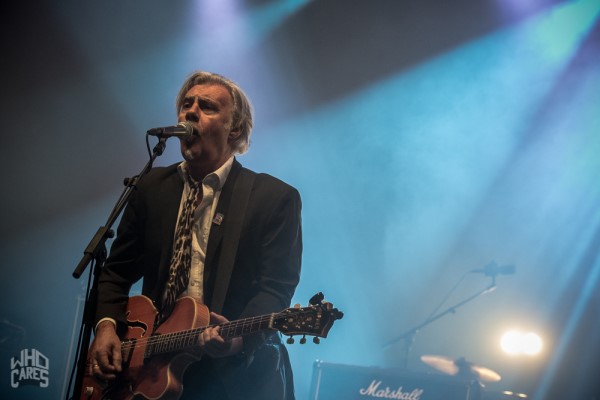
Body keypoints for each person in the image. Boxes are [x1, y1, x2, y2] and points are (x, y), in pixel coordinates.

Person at [87, 71, 302, 399]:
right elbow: (115, 272)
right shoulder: (151, 187)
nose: (190, 112)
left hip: (234, 377)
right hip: (152, 369)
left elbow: (275, 288)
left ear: (236, 128)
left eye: (207, 106)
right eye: (186, 105)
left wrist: (236, 339)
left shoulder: (272, 198)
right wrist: (105, 326)